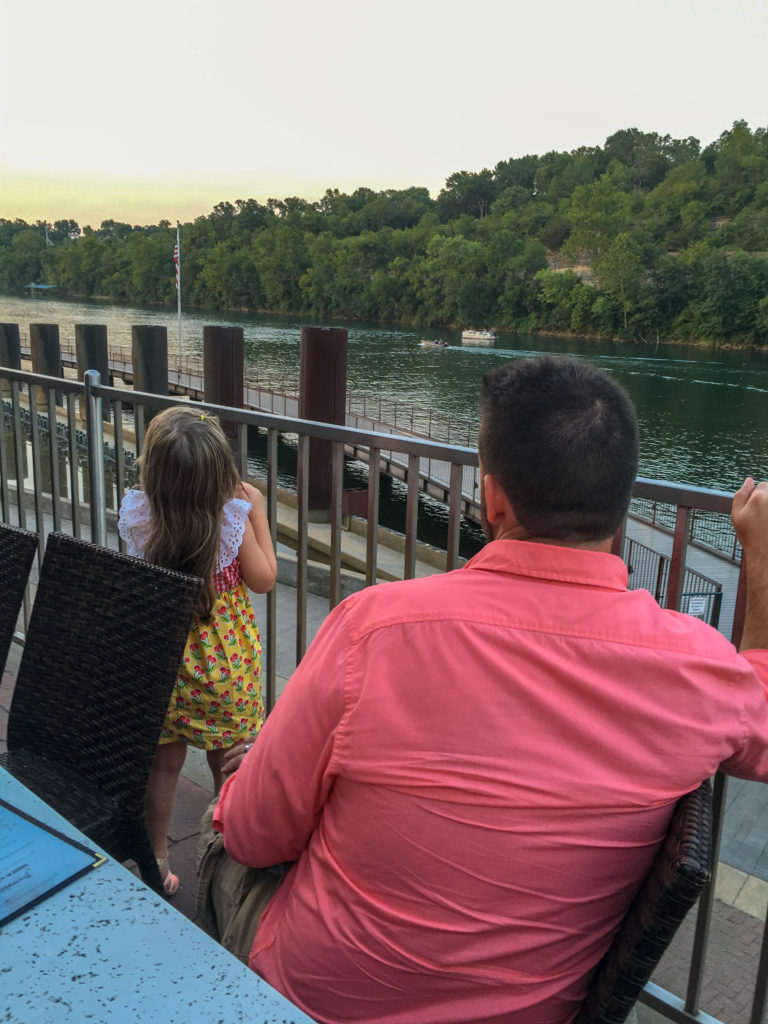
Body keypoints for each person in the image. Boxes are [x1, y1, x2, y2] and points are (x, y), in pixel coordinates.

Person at [202, 356, 768, 1024]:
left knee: (225, 827)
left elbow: (255, 835)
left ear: (492, 499)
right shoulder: (693, 668)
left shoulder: (375, 629)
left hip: (318, 1001)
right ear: (622, 508)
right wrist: (758, 567)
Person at [118, 406, 277, 894]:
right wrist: (258, 511)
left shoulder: (141, 515)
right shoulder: (231, 520)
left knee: (163, 767)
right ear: (219, 477)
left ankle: (157, 861)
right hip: (223, 668)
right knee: (228, 764)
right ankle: (224, 860)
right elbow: (264, 578)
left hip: (163, 661)